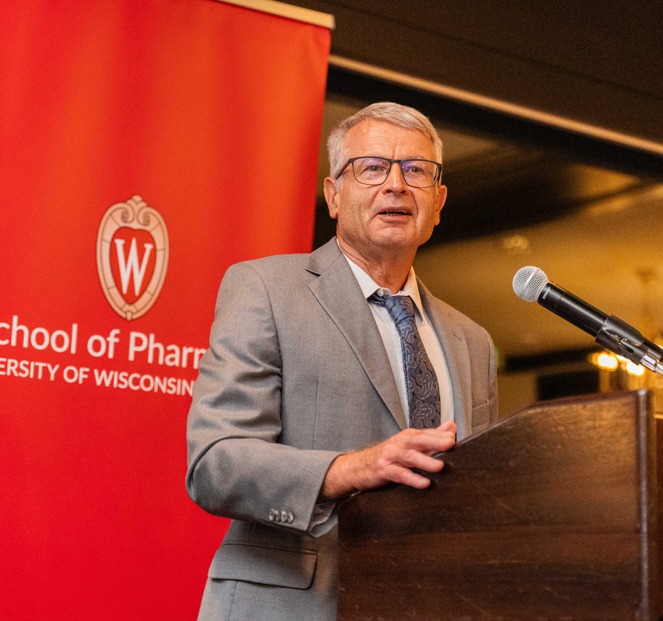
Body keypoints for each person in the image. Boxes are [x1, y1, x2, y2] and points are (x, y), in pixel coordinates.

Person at [186, 102, 498, 621]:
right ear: (334, 195)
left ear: (438, 202)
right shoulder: (265, 289)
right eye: (372, 168)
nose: (396, 185)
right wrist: (352, 468)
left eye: (416, 170)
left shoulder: (473, 340)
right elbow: (216, 463)